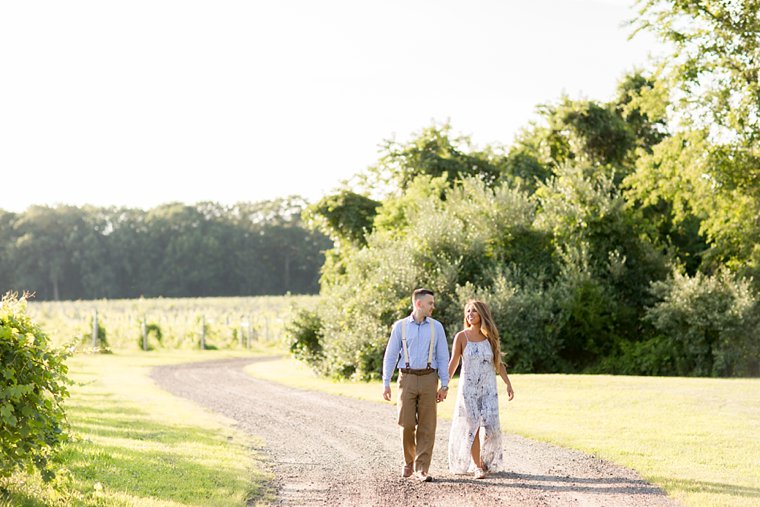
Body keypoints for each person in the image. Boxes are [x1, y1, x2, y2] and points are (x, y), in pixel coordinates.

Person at [382, 288, 451, 482]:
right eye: (430, 303)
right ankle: (409, 461)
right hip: (407, 379)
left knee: (427, 426)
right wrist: (385, 382)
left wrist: (444, 385)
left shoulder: (436, 327)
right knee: (406, 424)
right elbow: (391, 355)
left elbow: (443, 356)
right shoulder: (400, 327)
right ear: (418, 304)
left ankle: (422, 469)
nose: (433, 307)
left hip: (430, 378)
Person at [447, 300, 514, 479]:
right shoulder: (461, 337)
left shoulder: (490, 338)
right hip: (468, 389)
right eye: (468, 311)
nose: (470, 314)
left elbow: (498, 363)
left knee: (492, 428)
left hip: (488, 389)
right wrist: (444, 385)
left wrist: (507, 383)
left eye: (474, 311)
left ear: (482, 314)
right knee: (473, 427)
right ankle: (476, 466)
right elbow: (453, 362)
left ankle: (484, 460)